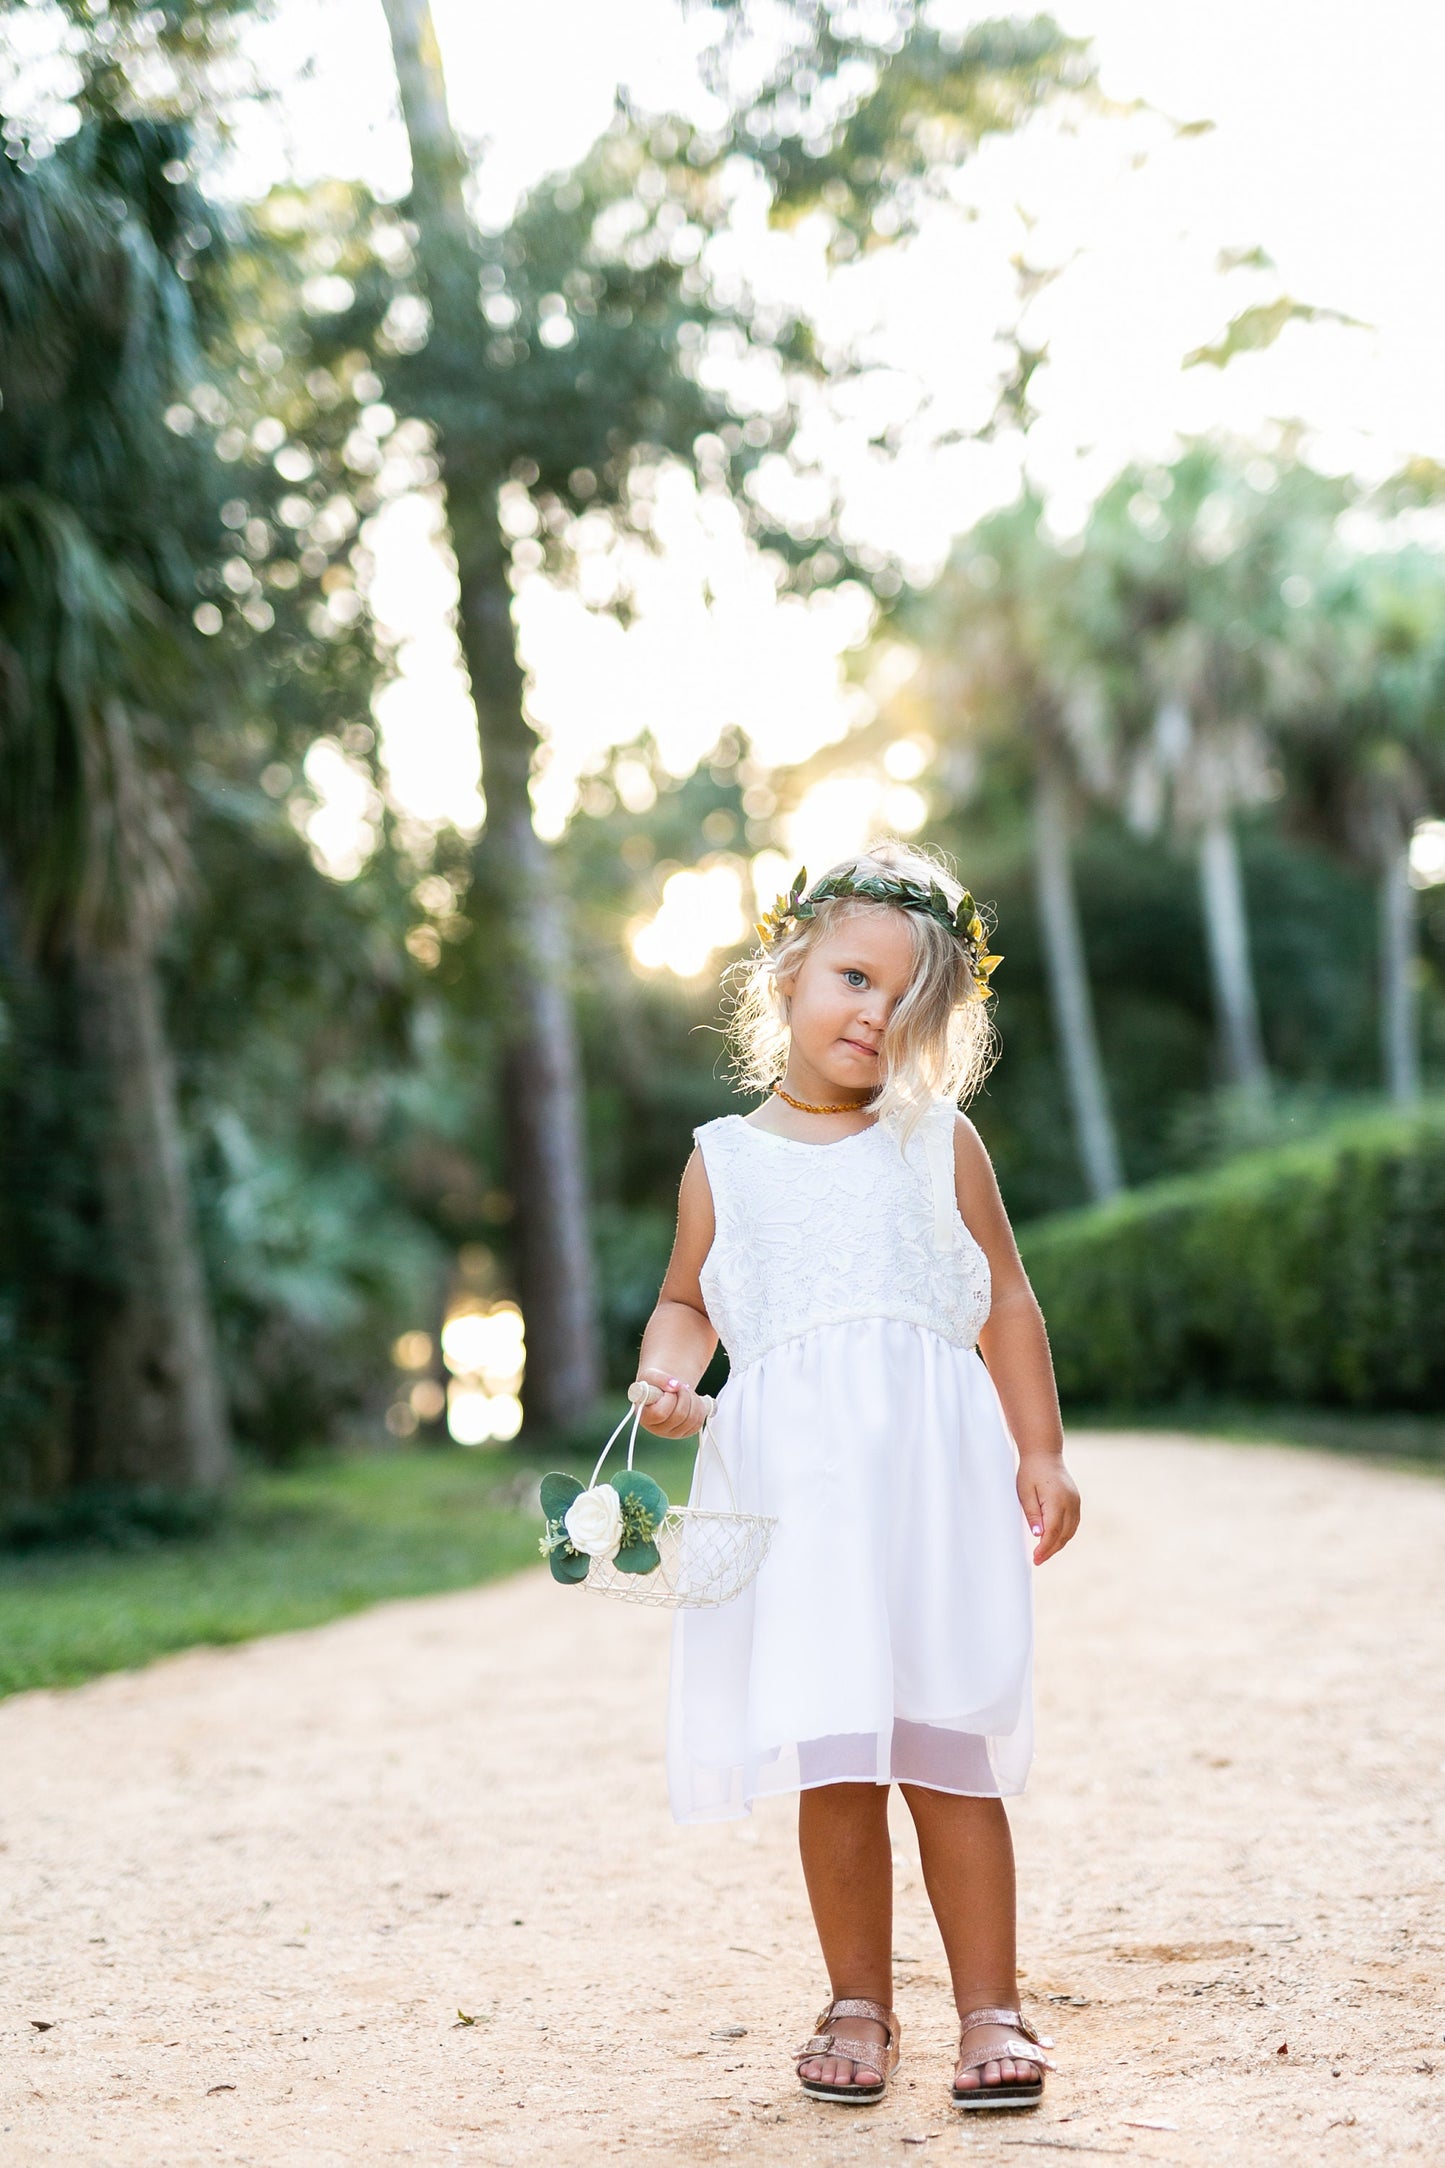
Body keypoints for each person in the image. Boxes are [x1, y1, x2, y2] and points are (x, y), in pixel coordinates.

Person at [630, 839, 1081, 2113]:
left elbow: (1004, 1300)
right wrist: (665, 1378)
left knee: (946, 1743)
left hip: (928, 1493)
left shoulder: (937, 1142)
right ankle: (856, 1998)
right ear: (783, 974)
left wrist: (1037, 1446)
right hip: (800, 1502)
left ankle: (989, 2001)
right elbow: (683, 1300)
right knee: (832, 1751)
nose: (873, 1012)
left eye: (907, 999)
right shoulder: (723, 1157)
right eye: (851, 977)